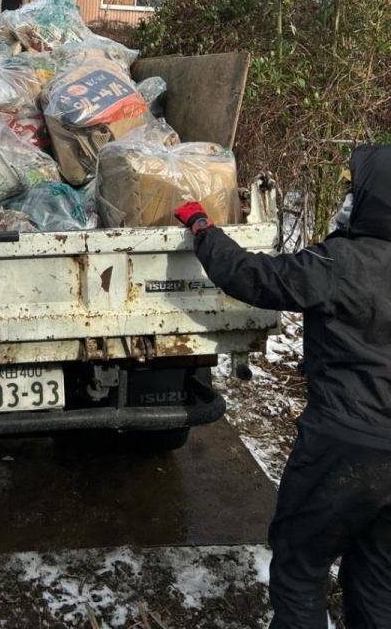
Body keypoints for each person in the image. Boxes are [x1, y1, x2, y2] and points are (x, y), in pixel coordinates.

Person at [175, 144, 391, 629]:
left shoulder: (341, 263)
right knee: (379, 583)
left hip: (341, 448)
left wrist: (203, 229)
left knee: (300, 571)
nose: (347, 200)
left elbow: (254, 278)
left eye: (355, 192)